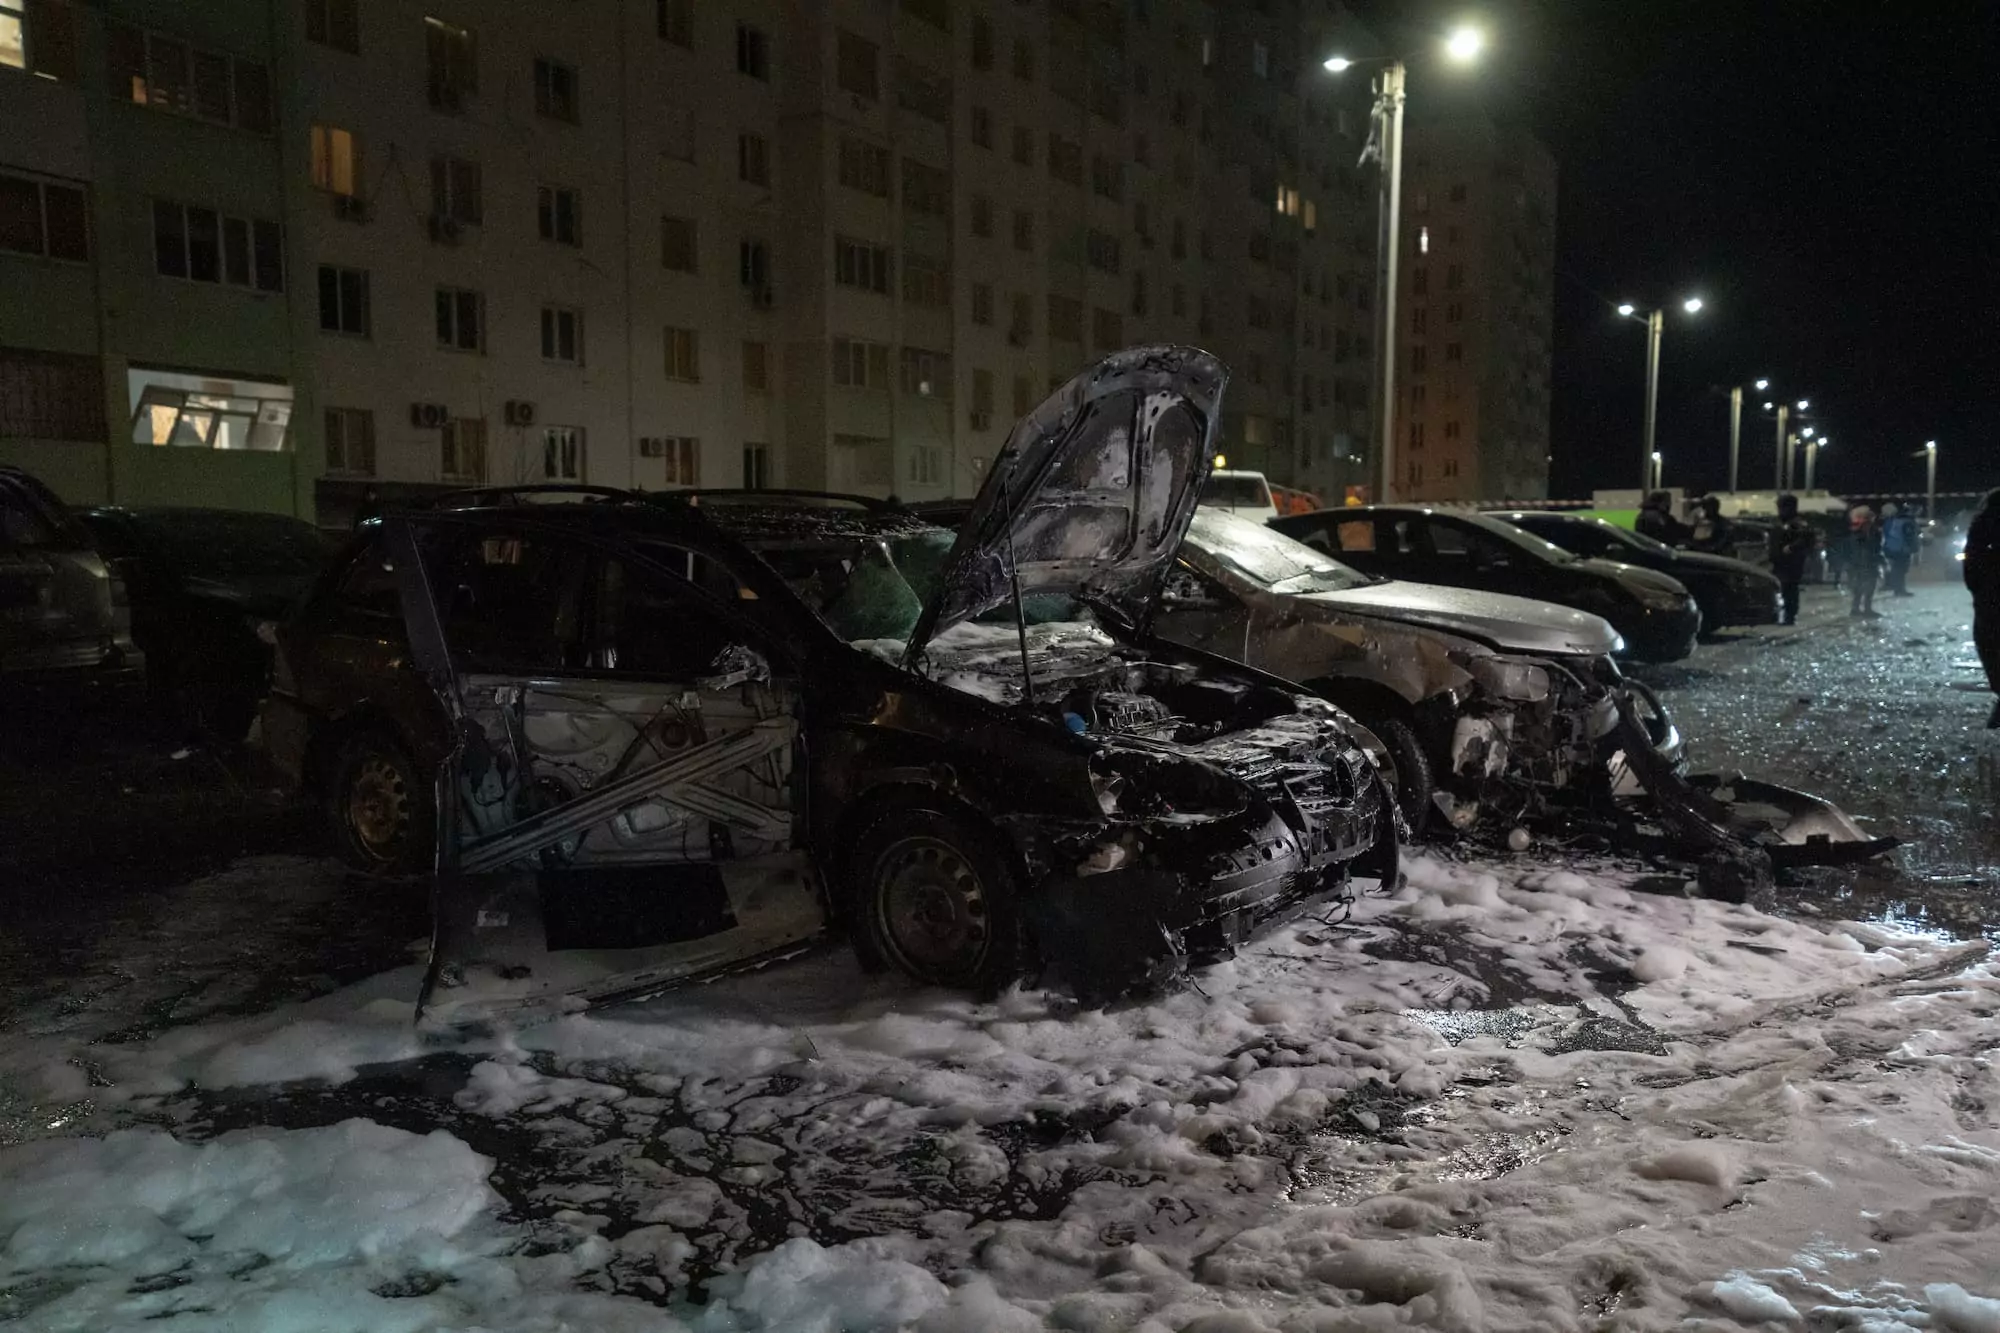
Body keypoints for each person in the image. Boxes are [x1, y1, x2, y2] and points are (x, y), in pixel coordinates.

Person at [1964, 488, 2000, 727]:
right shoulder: (1983, 524)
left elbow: (1971, 558)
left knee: (1990, 643)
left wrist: (1977, 588)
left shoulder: (1982, 522)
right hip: (1989, 590)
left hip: (1990, 593)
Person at [1768, 494, 1817, 626]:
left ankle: (1790, 616)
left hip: (1791, 563)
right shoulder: (1779, 522)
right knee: (1780, 589)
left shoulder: (1798, 524)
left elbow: (1807, 539)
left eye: (1782, 506)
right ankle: (1779, 614)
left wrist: (1791, 547)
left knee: (1789, 589)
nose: (1780, 510)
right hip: (1778, 561)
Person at [1847, 505, 1882, 618]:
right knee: (1867, 585)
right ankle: (1864, 608)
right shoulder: (1867, 530)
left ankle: (1858, 608)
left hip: (1860, 561)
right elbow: (1871, 546)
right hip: (1866, 561)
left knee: (1861, 585)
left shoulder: (1857, 529)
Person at [1881, 502, 1918, 596]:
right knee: (1900, 570)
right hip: (1902, 549)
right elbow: (1909, 536)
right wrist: (1913, 547)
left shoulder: (1891, 521)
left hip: (1892, 548)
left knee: (1895, 569)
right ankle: (1899, 589)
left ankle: (1895, 587)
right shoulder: (1906, 522)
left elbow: (1886, 534)